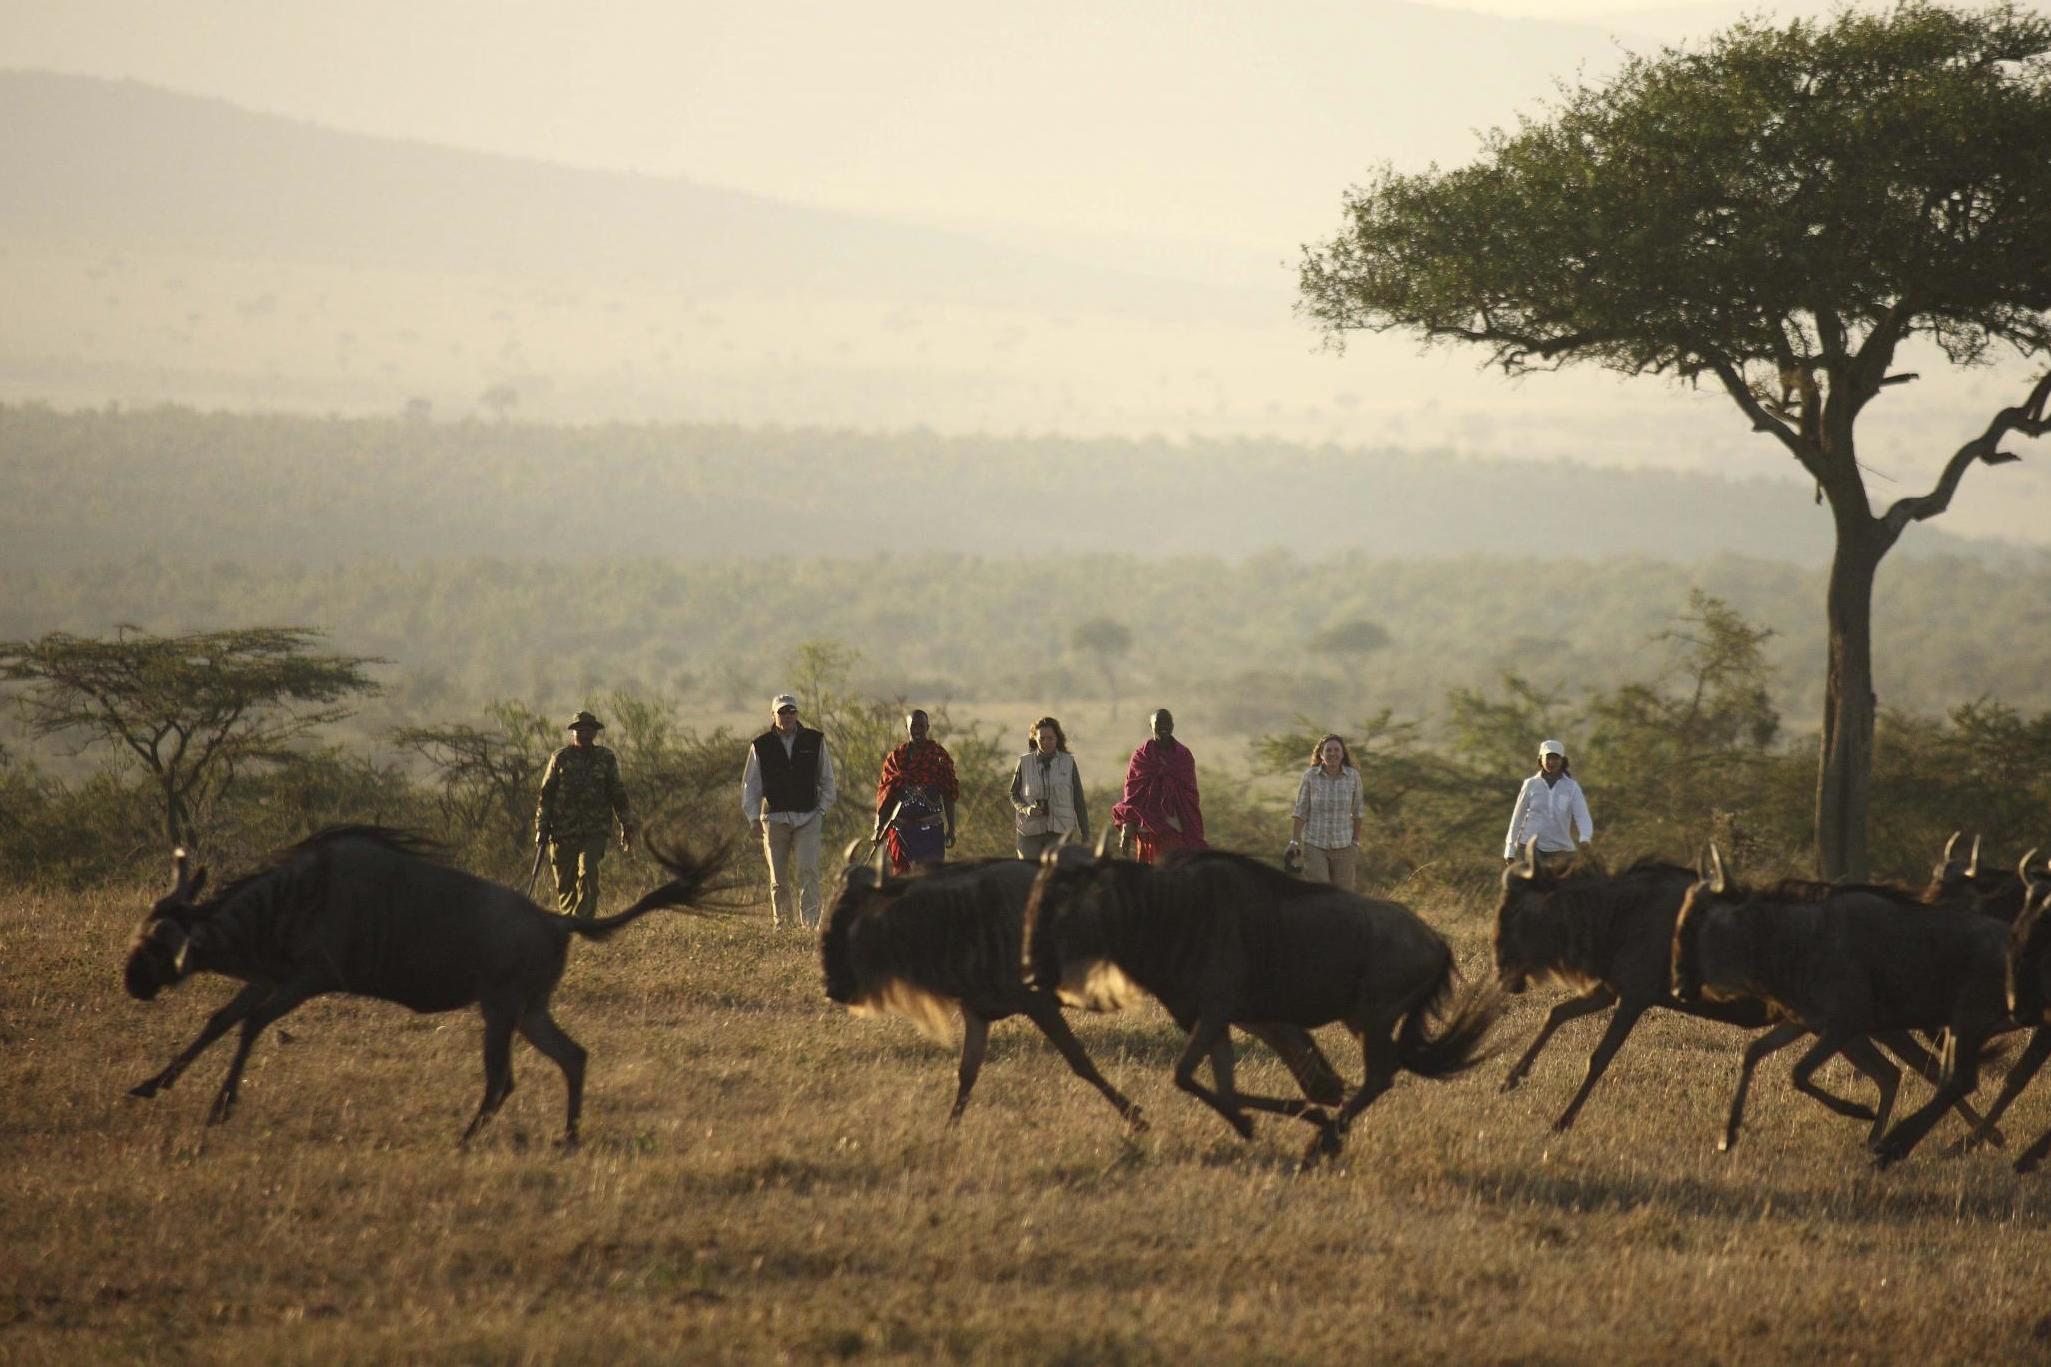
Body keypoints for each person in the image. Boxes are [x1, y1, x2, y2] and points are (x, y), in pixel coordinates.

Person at [741, 693, 837, 930]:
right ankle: (783, 926)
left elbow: (827, 778)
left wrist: (821, 810)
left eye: (791, 711)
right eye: (782, 712)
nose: (787, 716)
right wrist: (753, 818)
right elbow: (750, 785)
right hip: (774, 819)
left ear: (797, 714)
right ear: (773, 716)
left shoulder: (815, 740)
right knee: (778, 878)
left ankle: (811, 925)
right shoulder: (761, 745)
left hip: (808, 817)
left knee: (808, 872)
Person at [533, 709, 638, 919]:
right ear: (573, 732)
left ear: (595, 733)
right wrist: (541, 828)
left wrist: (626, 824)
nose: (585, 734)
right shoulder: (560, 758)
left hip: (594, 829)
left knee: (588, 871)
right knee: (565, 886)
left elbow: (617, 792)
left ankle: (583, 921)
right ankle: (568, 922)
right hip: (562, 832)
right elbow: (546, 796)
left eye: (589, 730)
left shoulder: (606, 758)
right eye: (580, 730)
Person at [1111, 707, 1206, 864]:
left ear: (1173, 725)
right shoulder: (1141, 757)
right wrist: (1126, 834)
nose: (1163, 726)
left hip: (1176, 828)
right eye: (1158, 722)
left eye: (1167, 722)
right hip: (1147, 830)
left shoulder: (1183, 756)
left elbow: (1190, 796)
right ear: (1151, 726)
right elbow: (1132, 798)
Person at [873, 708, 958, 874]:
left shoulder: (938, 757)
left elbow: (949, 794)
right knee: (902, 881)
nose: (917, 730)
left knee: (931, 881)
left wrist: (952, 829)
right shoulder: (895, 759)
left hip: (931, 832)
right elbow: (884, 796)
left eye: (921, 726)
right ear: (906, 727)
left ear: (928, 727)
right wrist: (878, 828)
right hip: (901, 831)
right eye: (913, 727)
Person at [1288, 733, 1366, 891]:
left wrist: (1355, 843)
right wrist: (1294, 841)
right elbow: (1301, 810)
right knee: (1320, 892)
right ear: (1321, 754)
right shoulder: (1310, 776)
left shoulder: (1353, 777)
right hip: (1315, 843)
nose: (1333, 754)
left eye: (1337, 750)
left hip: (1344, 845)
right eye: (1328, 750)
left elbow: (1358, 812)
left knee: (1344, 895)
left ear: (1343, 753)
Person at [1503, 737, 1594, 868]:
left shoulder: (1571, 787)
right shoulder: (1531, 784)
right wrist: (1510, 849)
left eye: (1555, 759)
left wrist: (1585, 838)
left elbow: (1582, 816)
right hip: (1530, 848)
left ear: (1562, 761)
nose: (1551, 762)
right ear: (1541, 760)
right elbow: (1517, 817)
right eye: (1548, 758)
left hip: (1561, 849)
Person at [1010, 715, 1090, 860]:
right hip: (1029, 832)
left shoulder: (1068, 763)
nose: (1046, 742)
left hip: (1060, 832)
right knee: (1030, 873)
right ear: (1035, 738)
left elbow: (1078, 800)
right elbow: (1013, 794)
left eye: (1050, 738)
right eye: (1042, 738)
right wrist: (1026, 809)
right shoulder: (1024, 763)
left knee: (1057, 874)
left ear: (1057, 738)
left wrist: (1086, 834)